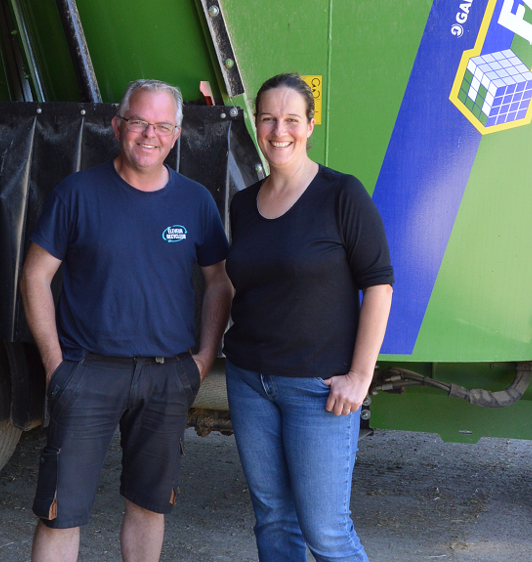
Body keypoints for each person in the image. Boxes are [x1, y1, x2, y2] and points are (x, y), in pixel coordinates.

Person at [20, 79, 232, 562]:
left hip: (166, 375)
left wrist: (201, 359)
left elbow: (219, 281)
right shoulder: (77, 193)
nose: (148, 134)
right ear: (117, 126)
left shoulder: (195, 201)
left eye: (161, 125)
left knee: (148, 506)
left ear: (176, 135)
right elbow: (35, 275)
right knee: (61, 511)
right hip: (87, 371)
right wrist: (56, 364)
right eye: (138, 122)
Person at [223, 73, 395, 562]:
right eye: (269, 119)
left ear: (311, 125)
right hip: (249, 381)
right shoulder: (244, 204)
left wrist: (360, 377)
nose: (280, 131)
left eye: (292, 120)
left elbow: (379, 285)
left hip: (318, 391)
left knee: (326, 533)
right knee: (274, 520)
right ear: (256, 124)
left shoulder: (342, 195)